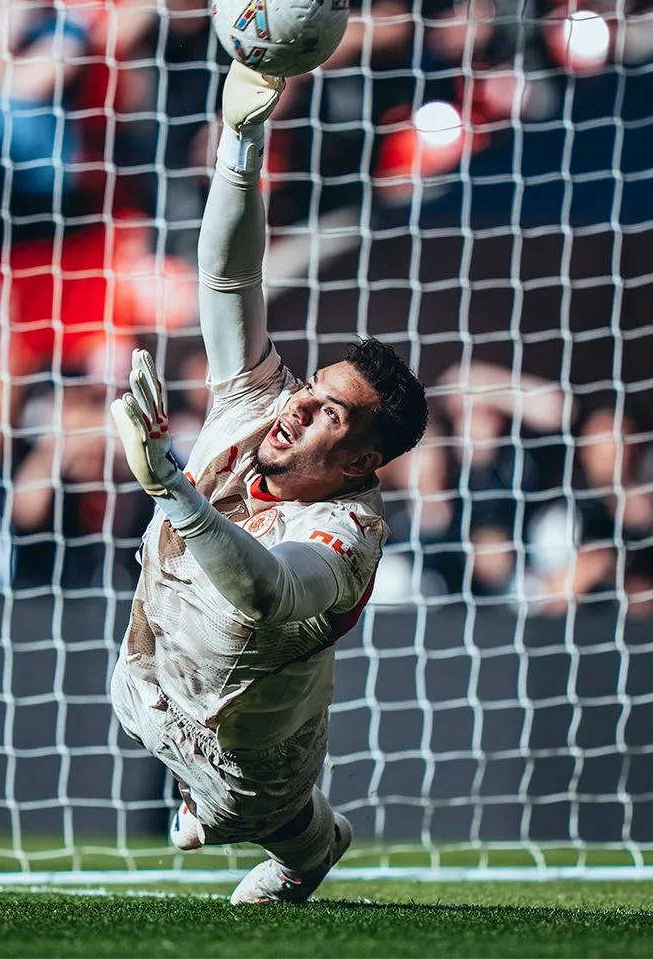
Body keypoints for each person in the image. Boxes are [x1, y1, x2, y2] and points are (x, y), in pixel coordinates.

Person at [108, 61, 428, 904]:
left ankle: (309, 846)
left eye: (329, 415)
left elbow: (270, 592)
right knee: (145, 719)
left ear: (361, 462)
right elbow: (226, 278)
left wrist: (173, 487)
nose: (299, 408)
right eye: (312, 391)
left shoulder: (351, 533)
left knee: (267, 813)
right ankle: (219, 813)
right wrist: (242, 145)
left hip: (247, 744)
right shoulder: (260, 400)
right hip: (147, 676)